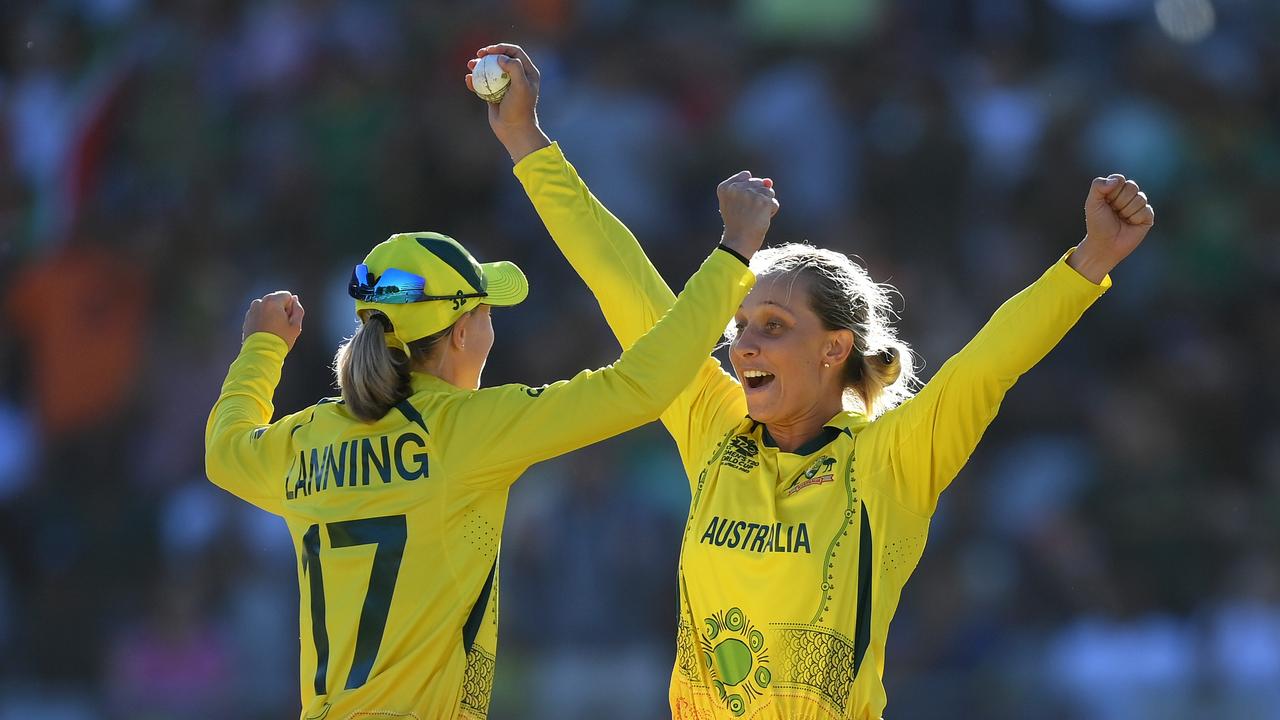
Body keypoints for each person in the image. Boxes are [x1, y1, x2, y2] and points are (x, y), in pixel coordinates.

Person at [471, 43, 1156, 720]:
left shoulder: (891, 457)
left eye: (772, 325)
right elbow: (617, 275)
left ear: (835, 348)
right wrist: (526, 140)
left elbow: (988, 364)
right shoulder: (710, 422)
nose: (742, 345)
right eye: (739, 325)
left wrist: (1091, 258)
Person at [205, 189, 777, 716]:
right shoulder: (468, 429)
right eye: (486, 315)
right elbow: (643, 385)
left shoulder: (307, 438)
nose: (491, 333)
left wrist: (261, 349)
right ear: (459, 334)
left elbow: (224, 452)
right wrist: (734, 254)